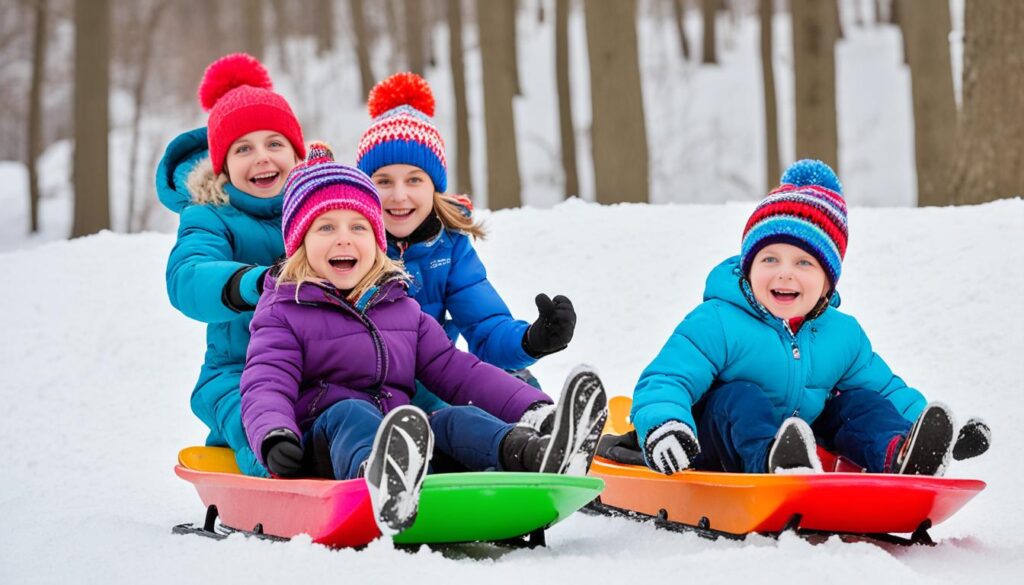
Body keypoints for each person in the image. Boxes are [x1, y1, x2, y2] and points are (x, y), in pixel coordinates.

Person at [240, 145, 608, 534]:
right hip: (327, 446)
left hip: (404, 439)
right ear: (299, 242)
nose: (344, 239)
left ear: (377, 241)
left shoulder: (400, 307)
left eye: (358, 226)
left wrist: (534, 408)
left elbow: (460, 372)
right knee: (351, 412)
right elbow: (265, 382)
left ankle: (537, 453)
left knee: (454, 419)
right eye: (326, 227)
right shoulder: (284, 308)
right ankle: (382, 479)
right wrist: (274, 434)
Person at [631, 160, 990, 476]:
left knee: (858, 403)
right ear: (747, 268)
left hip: (799, 440)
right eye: (769, 259)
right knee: (741, 397)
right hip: (715, 444)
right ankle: (774, 463)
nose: (784, 274)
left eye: (804, 263)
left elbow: (886, 390)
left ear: (826, 283)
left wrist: (933, 431)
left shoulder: (842, 335)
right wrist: (666, 424)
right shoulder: (718, 321)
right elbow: (668, 377)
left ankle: (903, 454)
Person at [355, 72, 576, 427]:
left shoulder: (450, 247)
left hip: (438, 374)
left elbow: (485, 328)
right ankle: (509, 440)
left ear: (434, 187)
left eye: (414, 179)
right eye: (383, 181)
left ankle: (548, 435)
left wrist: (531, 340)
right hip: (374, 389)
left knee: (512, 381)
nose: (399, 195)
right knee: (465, 410)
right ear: (364, 188)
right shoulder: (350, 246)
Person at [157, 53, 306, 477]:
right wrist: (252, 282)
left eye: (275, 144)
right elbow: (187, 276)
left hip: (318, 370)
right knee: (265, 424)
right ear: (222, 166)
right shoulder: (210, 215)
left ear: (297, 155)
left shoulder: (319, 209)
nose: (261, 157)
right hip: (237, 375)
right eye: (244, 148)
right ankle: (281, 474)